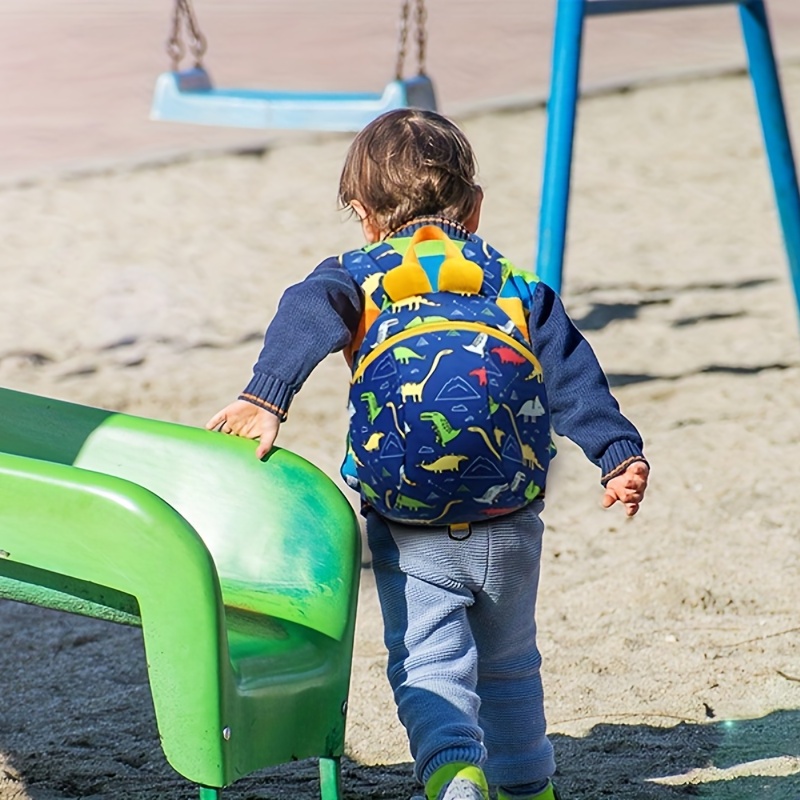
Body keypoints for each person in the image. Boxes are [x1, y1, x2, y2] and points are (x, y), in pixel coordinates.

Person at [206, 108, 649, 800]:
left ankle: (454, 772)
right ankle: (529, 788)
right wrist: (617, 453)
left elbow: (305, 310)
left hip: (412, 526)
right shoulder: (515, 285)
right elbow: (571, 372)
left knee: (429, 663)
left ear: (365, 215)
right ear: (474, 209)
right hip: (511, 518)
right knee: (509, 664)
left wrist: (268, 396)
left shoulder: (355, 274)